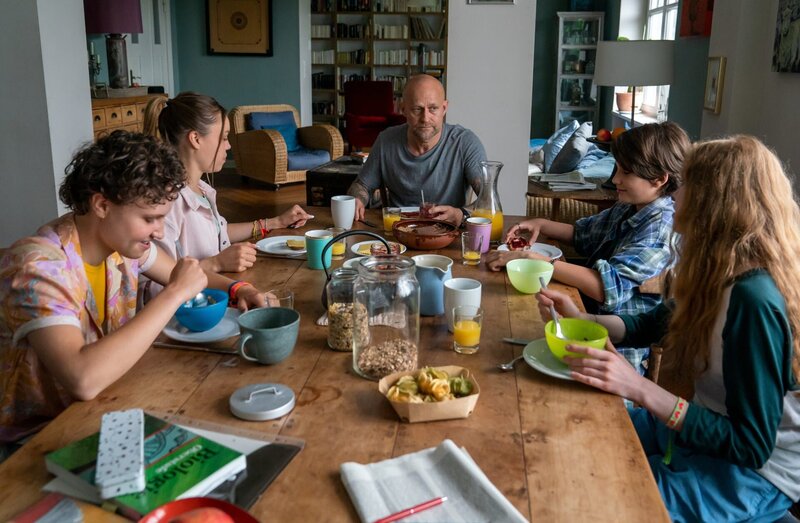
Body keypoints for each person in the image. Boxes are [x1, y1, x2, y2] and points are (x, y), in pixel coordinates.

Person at [536, 135, 800, 522]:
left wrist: (640, 387)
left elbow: (751, 446)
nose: (675, 195)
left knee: (596, 498)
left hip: (755, 474)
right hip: (701, 434)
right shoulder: (717, 268)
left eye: (686, 184)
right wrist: (585, 320)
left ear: (716, 201)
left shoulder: (753, 299)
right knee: (569, 436)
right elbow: (652, 324)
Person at [0, 131, 267, 459]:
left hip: (110, 406)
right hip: (33, 441)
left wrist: (241, 288)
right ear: (102, 205)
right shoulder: (39, 266)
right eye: (149, 218)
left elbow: (182, 273)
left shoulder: (122, 246)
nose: (158, 231)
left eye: (162, 218)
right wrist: (173, 294)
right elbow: (83, 379)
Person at [488, 122, 690, 373]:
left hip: (614, 352)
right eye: (617, 168)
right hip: (582, 319)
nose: (615, 179)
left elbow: (606, 287)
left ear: (660, 179)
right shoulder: (630, 205)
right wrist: (542, 223)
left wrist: (534, 259)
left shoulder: (659, 230)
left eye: (626, 172)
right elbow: (584, 234)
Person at [141, 92, 313, 301]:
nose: (229, 146)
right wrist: (217, 263)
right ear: (195, 139)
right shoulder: (167, 202)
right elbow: (156, 283)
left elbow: (219, 231)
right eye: (223, 138)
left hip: (218, 293)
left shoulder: (202, 189)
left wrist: (275, 222)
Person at [348, 74, 487, 226]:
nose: (425, 118)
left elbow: (488, 200)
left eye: (433, 109)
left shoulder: (465, 143)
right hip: (397, 235)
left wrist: (461, 214)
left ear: (444, 108)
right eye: (417, 109)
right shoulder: (386, 141)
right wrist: (356, 199)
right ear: (403, 109)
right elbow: (361, 186)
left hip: (450, 236)